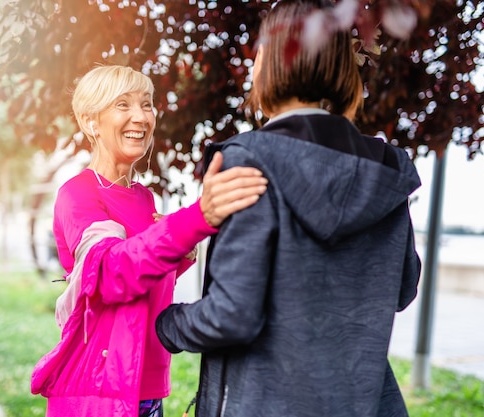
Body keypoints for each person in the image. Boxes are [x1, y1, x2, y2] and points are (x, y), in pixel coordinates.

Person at [155, 1, 422, 416]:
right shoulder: (384, 167)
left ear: (277, 61)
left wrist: (167, 323)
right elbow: (403, 288)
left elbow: (231, 315)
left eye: (260, 51)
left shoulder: (248, 160)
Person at [30, 65, 268, 417]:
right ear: (90, 121)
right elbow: (111, 273)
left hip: (147, 386)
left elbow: (144, 279)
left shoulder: (144, 198)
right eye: (123, 105)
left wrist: (182, 253)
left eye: (146, 104)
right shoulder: (78, 194)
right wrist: (198, 218)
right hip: (100, 391)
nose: (141, 116)